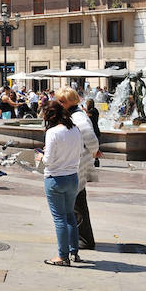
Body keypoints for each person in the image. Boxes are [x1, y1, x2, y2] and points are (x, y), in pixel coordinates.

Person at [37, 101, 83, 266]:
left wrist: (40, 157)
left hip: (55, 178)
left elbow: (48, 161)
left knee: (59, 218)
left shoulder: (52, 132)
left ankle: (62, 256)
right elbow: (80, 152)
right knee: (70, 215)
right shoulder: (75, 130)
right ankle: (74, 252)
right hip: (72, 177)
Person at [55, 87, 100, 251]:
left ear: (67, 102)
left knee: (77, 203)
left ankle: (84, 239)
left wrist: (94, 151)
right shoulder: (76, 114)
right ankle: (82, 237)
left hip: (78, 165)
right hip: (78, 163)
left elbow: (91, 137)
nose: (58, 104)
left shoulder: (78, 117)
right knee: (77, 201)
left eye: (61, 101)